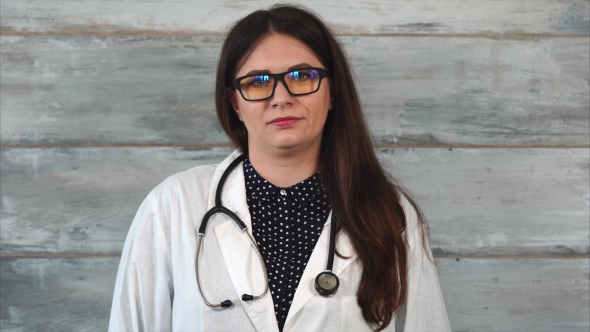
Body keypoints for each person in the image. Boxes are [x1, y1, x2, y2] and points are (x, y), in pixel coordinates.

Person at [109, 4, 451, 332]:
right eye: (257, 82)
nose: (281, 97)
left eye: (302, 76)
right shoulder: (173, 207)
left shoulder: (390, 213)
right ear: (235, 104)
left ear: (332, 92)